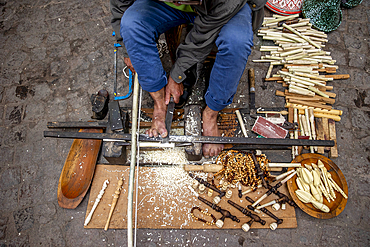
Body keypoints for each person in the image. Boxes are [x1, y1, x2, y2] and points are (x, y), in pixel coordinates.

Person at [110, 0, 267, 157]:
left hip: (222, 8)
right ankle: (159, 105)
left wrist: (177, 74)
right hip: (165, 6)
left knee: (237, 42)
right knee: (132, 24)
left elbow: (202, 36)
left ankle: (211, 114)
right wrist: (127, 45)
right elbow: (121, 4)